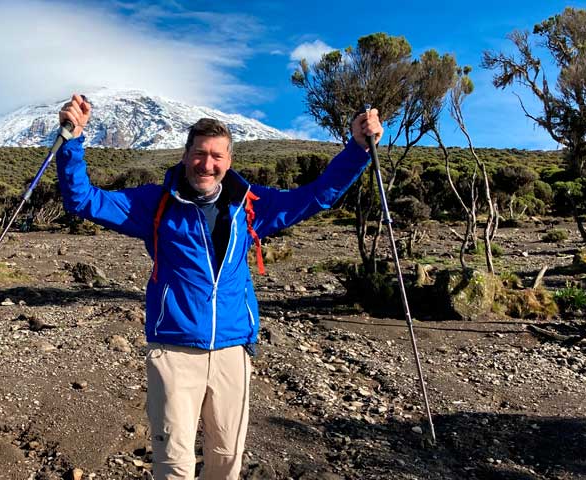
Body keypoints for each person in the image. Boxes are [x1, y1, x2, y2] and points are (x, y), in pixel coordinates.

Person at [56, 94, 382, 479]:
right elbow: (83, 201)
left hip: (232, 351)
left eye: (216, 156)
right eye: (199, 153)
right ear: (185, 154)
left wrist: (358, 150)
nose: (206, 164)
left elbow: (316, 195)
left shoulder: (250, 205)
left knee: (227, 460)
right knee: (173, 463)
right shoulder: (155, 203)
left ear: (228, 162)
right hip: (174, 351)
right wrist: (72, 141)